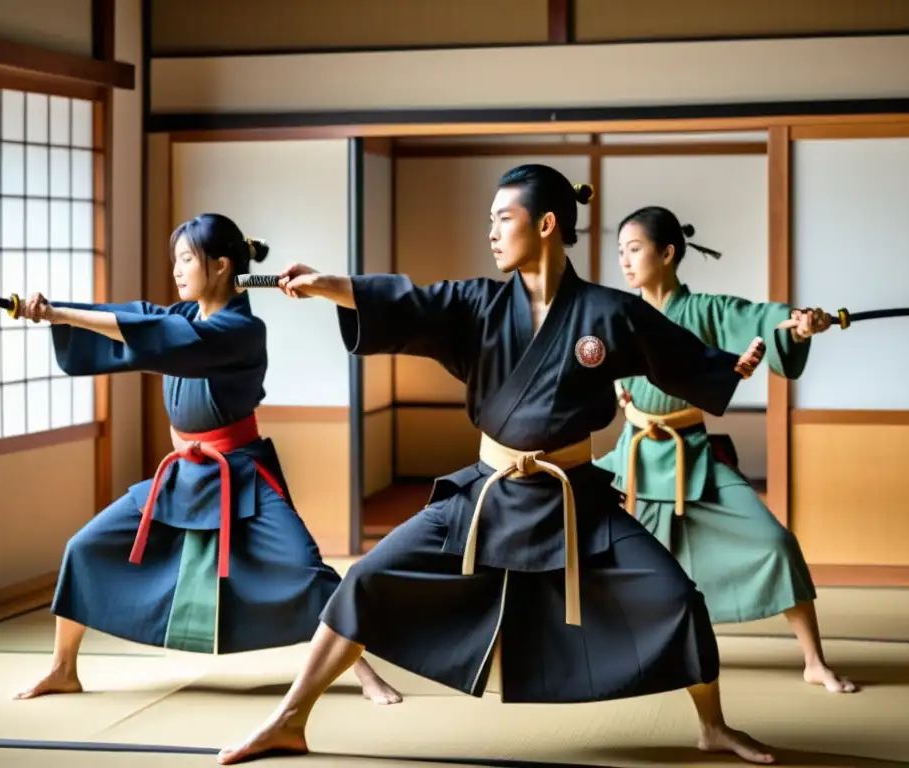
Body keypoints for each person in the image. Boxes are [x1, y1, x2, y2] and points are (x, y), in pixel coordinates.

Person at [218, 165, 777, 765]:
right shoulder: (478, 305)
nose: (491, 232)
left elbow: (674, 349)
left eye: (502, 219)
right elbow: (411, 303)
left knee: (678, 598)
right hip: (487, 493)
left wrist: (725, 369)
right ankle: (288, 718)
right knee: (364, 580)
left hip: (575, 500)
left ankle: (712, 726)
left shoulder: (607, 313)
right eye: (490, 221)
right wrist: (332, 285)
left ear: (546, 224)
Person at [11, 213, 401, 707]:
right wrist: (52, 311)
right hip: (182, 474)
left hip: (241, 472)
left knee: (306, 571)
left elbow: (153, 337)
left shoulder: (241, 331)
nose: (176, 269)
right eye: (175, 259)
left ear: (220, 266)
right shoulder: (182, 317)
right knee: (84, 547)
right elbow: (133, 318)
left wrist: (63, 317)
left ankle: (363, 671)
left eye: (186, 259)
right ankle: (62, 668)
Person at [595, 205, 854, 695]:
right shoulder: (621, 314)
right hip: (631, 459)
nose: (625, 262)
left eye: (634, 250)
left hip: (692, 457)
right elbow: (594, 359)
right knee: (572, 536)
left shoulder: (706, 311)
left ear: (667, 253)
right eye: (621, 253)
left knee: (776, 544)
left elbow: (758, 318)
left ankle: (814, 661)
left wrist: (796, 325)